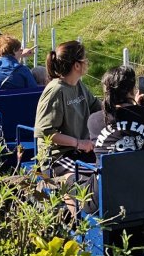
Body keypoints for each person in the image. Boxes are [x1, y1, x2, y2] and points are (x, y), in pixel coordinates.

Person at [34, 41, 102, 175]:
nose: (87, 62)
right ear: (77, 65)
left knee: (112, 168)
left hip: (81, 151)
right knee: (98, 175)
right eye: (85, 59)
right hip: (58, 158)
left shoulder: (79, 85)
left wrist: (127, 107)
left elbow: (98, 107)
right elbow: (45, 131)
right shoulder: (55, 91)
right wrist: (78, 143)